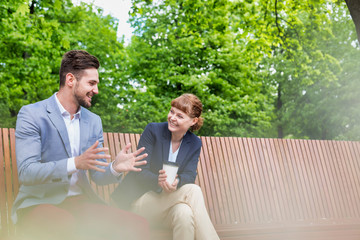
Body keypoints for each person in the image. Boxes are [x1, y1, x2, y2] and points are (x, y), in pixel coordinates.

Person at [11, 50, 150, 240]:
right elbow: (27, 172)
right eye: (91, 83)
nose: (96, 90)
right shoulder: (32, 114)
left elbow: (98, 176)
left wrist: (115, 168)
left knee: (138, 224)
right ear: (70, 80)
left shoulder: (93, 121)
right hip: (40, 202)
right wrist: (75, 163)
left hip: (80, 202)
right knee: (69, 226)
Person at [112, 93, 219, 240]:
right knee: (193, 191)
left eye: (180, 116)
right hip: (138, 204)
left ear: (193, 121)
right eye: (172, 112)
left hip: (167, 208)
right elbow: (139, 171)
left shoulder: (194, 143)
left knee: (184, 214)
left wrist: (177, 182)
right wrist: (158, 180)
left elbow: (189, 175)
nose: (172, 118)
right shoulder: (153, 131)